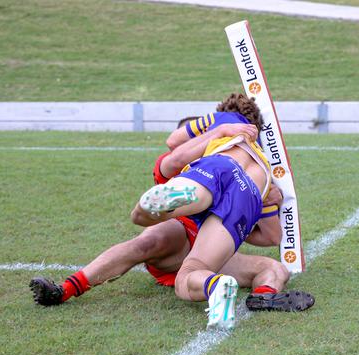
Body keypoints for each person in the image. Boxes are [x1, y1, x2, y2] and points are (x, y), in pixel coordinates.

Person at [29, 94, 314, 317]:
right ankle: (66, 288)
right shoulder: (237, 151)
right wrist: (265, 200)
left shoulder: (210, 142)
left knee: (275, 269)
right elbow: (270, 235)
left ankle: (257, 294)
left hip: (205, 230)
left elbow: (176, 156)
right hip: (199, 229)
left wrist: (267, 203)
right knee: (152, 237)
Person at [130, 94, 313, 330]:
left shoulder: (223, 119)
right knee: (197, 269)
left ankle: (181, 195)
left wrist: (216, 130)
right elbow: (272, 237)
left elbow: (173, 140)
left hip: (221, 165)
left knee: (142, 217)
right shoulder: (262, 158)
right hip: (254, 188)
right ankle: (239, 289)